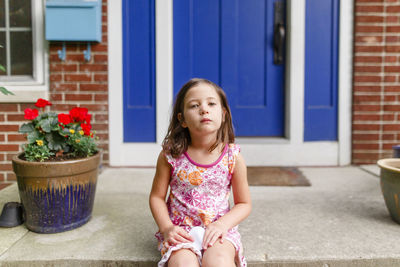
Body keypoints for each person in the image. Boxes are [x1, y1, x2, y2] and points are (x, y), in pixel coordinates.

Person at [149, 78, 252, 267]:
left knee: (219, 262)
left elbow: (244, 204)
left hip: (219, 229)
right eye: (194, 105)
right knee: (182, 264)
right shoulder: (170, 156)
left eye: (211, 103)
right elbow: (156, 197)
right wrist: (166, 228)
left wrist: (222, 224)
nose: (204, 109)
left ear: (223, 115)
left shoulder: (233, 157)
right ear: (182, 120)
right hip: (181, 231)